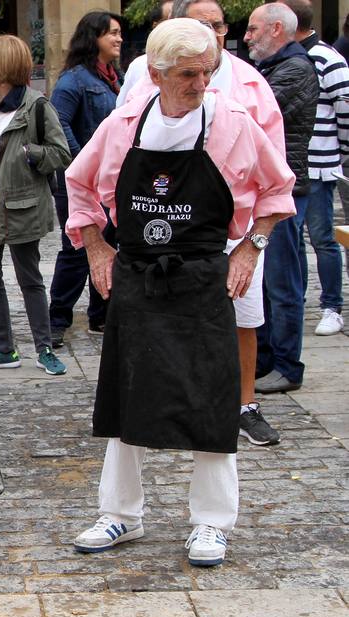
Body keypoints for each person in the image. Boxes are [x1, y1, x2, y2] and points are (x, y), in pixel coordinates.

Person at [66, 18, 295, 568]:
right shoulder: (124, 125)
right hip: (139, 276)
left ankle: (212, 523)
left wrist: (249, 248)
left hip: (203, 277)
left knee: (212, 397)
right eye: (189, 74)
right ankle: (120, 512)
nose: (200, 84)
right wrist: (97, 247)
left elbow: (279, 188)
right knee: (127, 392)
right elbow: (78, 181)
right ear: (157, 74)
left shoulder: (234, 124)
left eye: (207, 72)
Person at [123, 0, 288, 447]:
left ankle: (243, 405)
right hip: (158, 241)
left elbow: (276, 178)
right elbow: (106, 165)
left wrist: (253, 244)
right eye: (200, 24)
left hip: (233, 234)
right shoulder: (141, 86)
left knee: (243, 321)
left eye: (216, 25)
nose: (210, 32)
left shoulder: (249, 86)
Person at [0, 34, 72, 377]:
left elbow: (61, 153)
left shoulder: (37, 106)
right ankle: (3, 348)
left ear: (3, 66)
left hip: (21, 208)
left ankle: (43, 349)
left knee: (30, 279)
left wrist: (31, 153)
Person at [246, 3, 318, 397]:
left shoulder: (294, 69)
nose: (248, 36)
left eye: (254, 29)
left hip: (286, 192)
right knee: (268, 282)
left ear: (277, 29)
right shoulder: (272, 68)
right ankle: (267, 358)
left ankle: (288, 365)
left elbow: (251, 117)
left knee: (283, 282)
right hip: (269, 189)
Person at [48, 11, 124, 347]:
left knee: (106, 245)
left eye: (120, 33)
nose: (118, 39)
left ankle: (100, 315)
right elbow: (58, 123)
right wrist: (84, 162)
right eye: (111, 33)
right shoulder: (74, 81)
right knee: (76, 249)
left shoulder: (112, 78)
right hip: (78, 183)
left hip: (108, 183)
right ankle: (56, 320)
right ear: (92, 38)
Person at [281, 0, 349, 338]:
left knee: (322, 239)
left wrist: (339, 157)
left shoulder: (329, 59)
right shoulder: (281, 58)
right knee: (291, 241)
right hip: (291, 167)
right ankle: (300, 300)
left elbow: (346, 114)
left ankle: (331, 306)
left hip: (319, 166)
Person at [118, 1, 174, 102]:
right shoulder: (139, 65)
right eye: (171, 20)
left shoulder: (204, 63)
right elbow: (122, 109)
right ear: (156, 25)